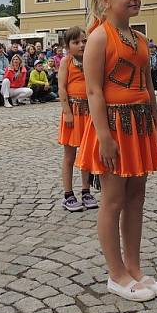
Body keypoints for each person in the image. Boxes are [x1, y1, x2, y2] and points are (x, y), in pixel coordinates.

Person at [76, 0, 157, 303]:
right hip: (112, 126)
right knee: (113, 200)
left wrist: (154, 123)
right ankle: (116, 273)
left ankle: (135, 267)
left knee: (136, 199)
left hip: (139, 126)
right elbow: (94, 92)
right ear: (105, 0)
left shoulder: (140, 39)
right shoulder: (99, 37)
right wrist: (104, 136)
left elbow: (148, 85)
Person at [57, 26, 98, 212]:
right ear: (67, 46)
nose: (81, 45)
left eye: (84, 41)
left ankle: (86, 190)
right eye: (76, 42)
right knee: (70, 155)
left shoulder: (91, 60)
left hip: (89, 112)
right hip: (73, 112)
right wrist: (66, 111)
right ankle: (68, 194)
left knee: (87, 153)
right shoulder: (66, 62)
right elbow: (62, 88)